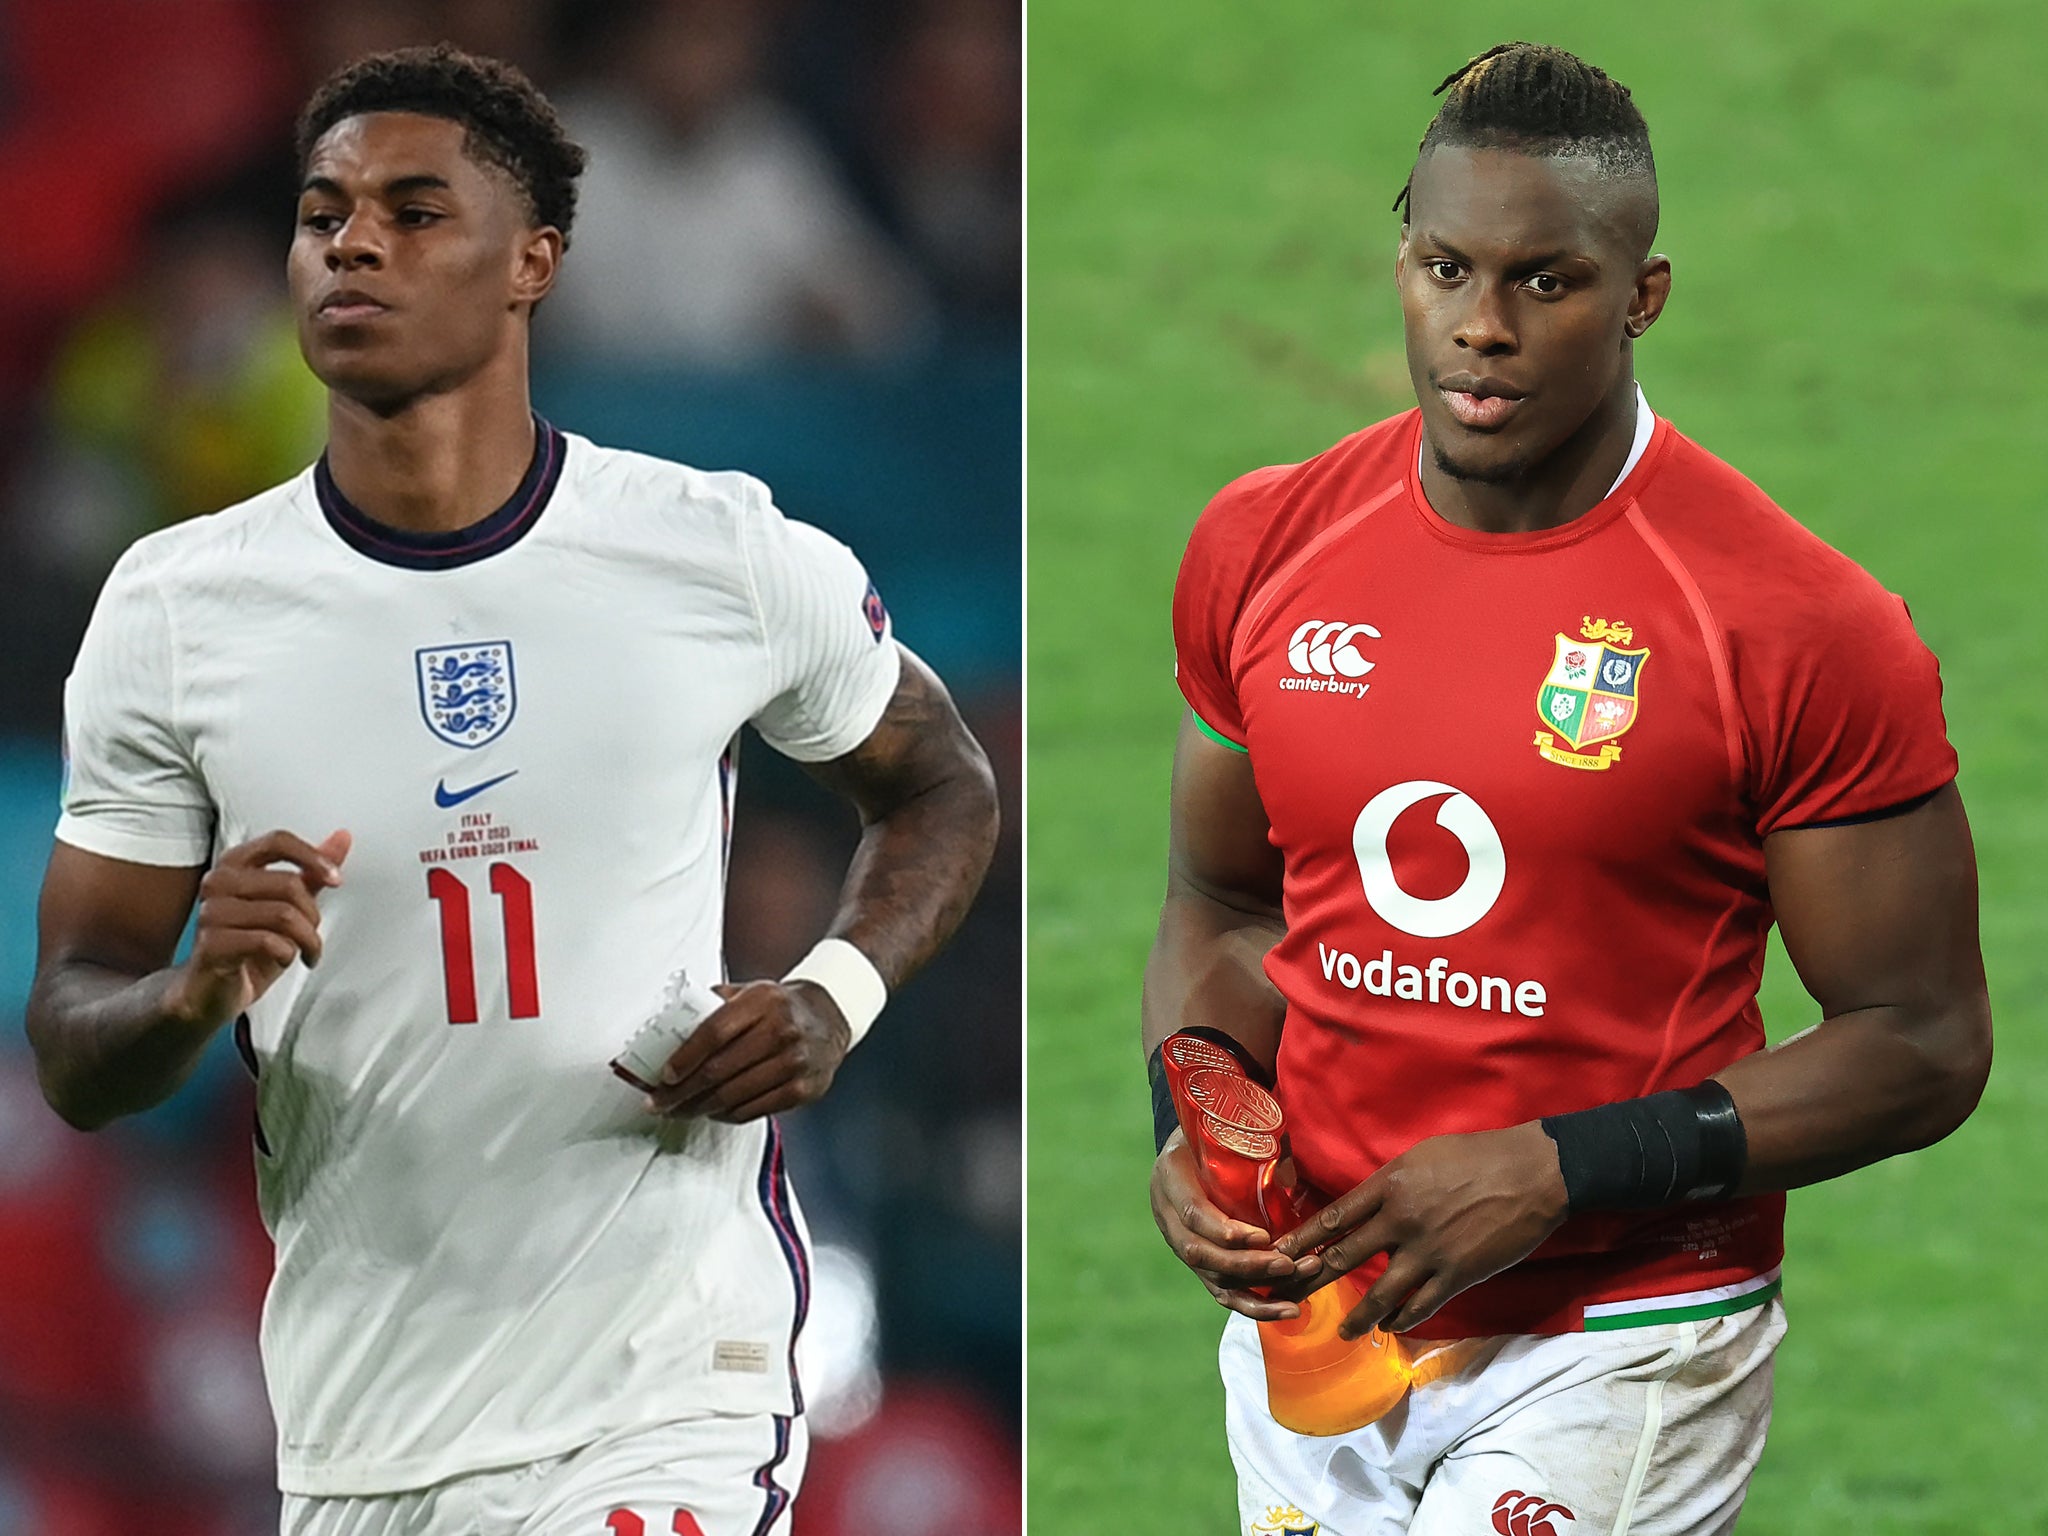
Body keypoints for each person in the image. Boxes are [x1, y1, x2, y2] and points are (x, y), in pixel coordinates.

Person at [25, 44, 999, 1536]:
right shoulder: (177, 613)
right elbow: (76, 1034)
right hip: (363, 1430)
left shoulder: (711, 551)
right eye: (322, 211)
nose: (351, 242)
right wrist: (181, 997)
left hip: (666, 1392)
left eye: (415, 212)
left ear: (534, 259)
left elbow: (940, 783)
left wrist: (832, 997)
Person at [1145, 42, 1989, 1536]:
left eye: (1548, 283)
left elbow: (1921, 1044)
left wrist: (1563, 1167)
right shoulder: (1262, 547)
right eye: (1446, 268)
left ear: (1642, 293)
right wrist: (1193, 1120)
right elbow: (1221, 899)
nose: (1482, 329)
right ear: (1399, 259)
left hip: (1620, 1329)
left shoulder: (1793, 626)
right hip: (1320, 1325)